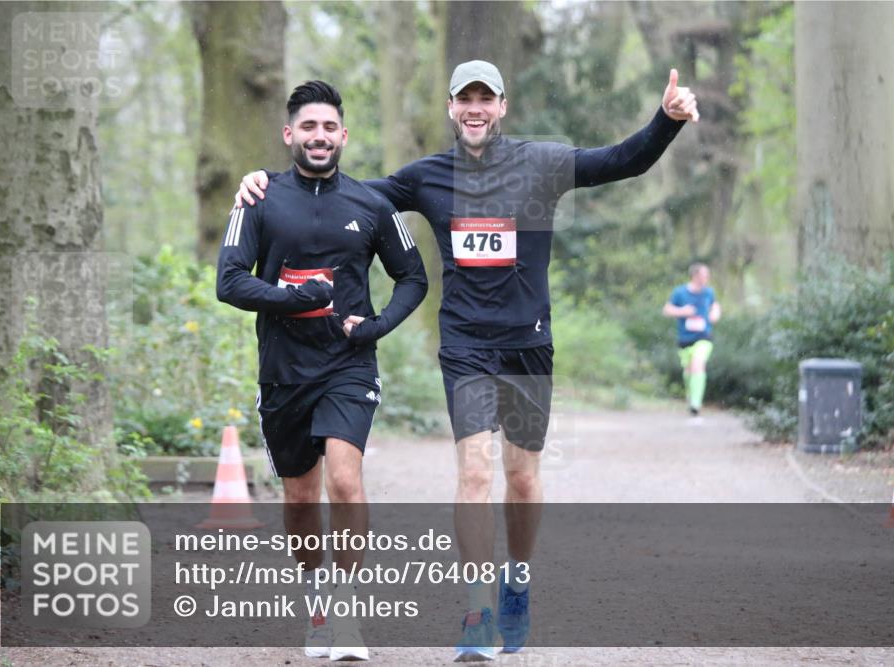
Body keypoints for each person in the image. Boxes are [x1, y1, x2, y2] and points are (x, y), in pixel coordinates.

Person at [235, 61, 697, 661]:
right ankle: (477, 610)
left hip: (528, 343)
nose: (475, 108)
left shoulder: (542, 163)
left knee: (523, 478)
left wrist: (666, 120)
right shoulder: (428, 177)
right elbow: (340, 195)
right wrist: (267, 183)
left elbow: (622, 160)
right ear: (452, 108)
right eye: (464, 99)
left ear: (501, 106)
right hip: (465, 346)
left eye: (486, 98)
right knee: (475, 476)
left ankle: (518, 580)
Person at [216, 80, 427, 662]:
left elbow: (414, 277)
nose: (319, 136)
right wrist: (298, 296)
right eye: (308, 127)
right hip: (283, 370)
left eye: (329, 127)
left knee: (343, 479)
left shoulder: (372, 204)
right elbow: (229, 282)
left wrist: (377, 327)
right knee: (302, 497)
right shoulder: (258, 199)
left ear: (344, 136)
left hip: (348, 364)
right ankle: (315, 601)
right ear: (289, 135)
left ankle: (347, 611)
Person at [663, 263, 721, 418]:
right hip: (685, 339)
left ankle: (696, 404)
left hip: (704, 338)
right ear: (695, 276)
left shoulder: (709, 292)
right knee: (689, 371)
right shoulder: (680, 292)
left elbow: (715, 306)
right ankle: (691, 395)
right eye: (704, 275)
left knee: (698, 364)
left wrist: (715, 313)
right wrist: (683, 311)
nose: (707, 278)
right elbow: (667, 309)